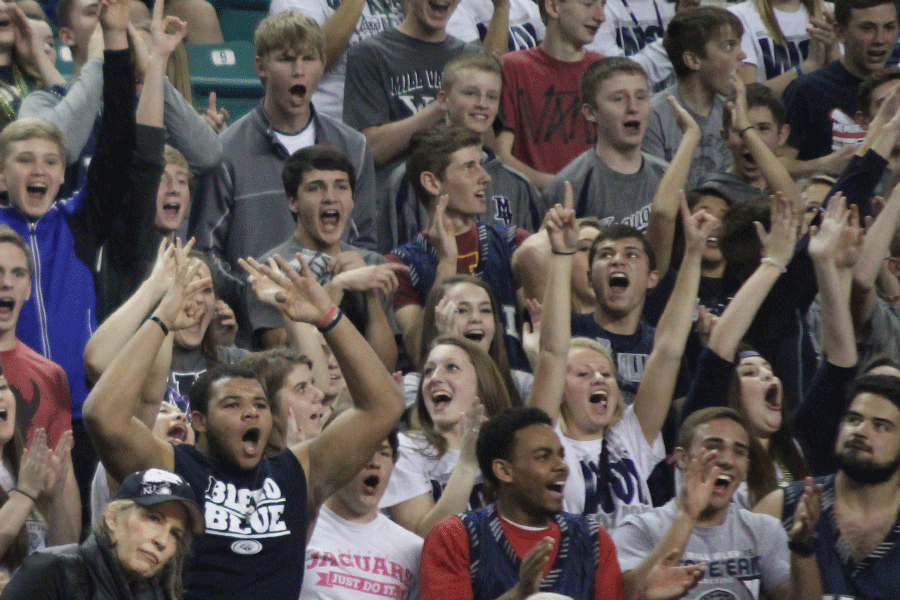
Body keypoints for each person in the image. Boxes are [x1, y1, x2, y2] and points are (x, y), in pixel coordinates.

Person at [84, 244, 404, 600]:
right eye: (232, 404)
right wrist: (161, 319)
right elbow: (102, 415)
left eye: (260, 404)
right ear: (199, 420)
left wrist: (327, 316)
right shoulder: (173, 469)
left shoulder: (299, 472)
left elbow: (385, 406)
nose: (251, 412)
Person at [528, 183, 716, 528]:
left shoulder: (630, 436)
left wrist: (692, 254)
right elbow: (553, 353)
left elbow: (669, 350)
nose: (599, 378)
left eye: (605, 374)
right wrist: (561, 256)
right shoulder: (545, 436)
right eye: (583, 374)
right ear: (559, 391)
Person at [191, 11, 377, 346]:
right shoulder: (226, 151)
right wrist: (258, 301)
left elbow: (366, 242)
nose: (299, 70)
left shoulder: (354, 147)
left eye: (309, 58)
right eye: (286, 59)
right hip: (259, 339)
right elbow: (208, 251)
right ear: (260, 66)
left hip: (338, 335)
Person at [419, 405, 706, 600]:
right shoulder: (455, 536)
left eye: (561, 455)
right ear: (504, 470)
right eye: (544, 457)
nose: (563, 467)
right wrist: (520, 594)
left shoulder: (592, 539)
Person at [613, 406, 824, 600]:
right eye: (714, 447)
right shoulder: (639, 529)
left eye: (739, 452)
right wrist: (688, 516)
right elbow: (622, 594)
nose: (727, 461)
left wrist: (802, 547)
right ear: (682, 459)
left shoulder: (763, 530)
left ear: (746, 468)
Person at [244, 145, 401, 371]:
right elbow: (285, 364)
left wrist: (371, 294)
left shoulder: (373, 264)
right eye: (315, 188)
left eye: (341, 187)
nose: (330, 198)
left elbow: (385, 367)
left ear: (352, 200)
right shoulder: (270, 271)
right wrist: (337, 287)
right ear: (293, 202)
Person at [386, 123, 529, 368]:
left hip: (512, 395)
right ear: (432, 183)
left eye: (481, 165)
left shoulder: (514, 243)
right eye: (469, 167)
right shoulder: (400, 265)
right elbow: (420, 354)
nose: (485, 177)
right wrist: (447, 264)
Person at [755, 373, 900, 599]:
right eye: (853, 419)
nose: (860, 431)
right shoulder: (782, 507)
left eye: (881, 426)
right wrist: (801, 546)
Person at [382, 52, 541, 252]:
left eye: (491, 96)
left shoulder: (519, 187)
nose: (482, 104)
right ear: (444, 99)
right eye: (470, 93)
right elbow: (397, 265)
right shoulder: (408, 180)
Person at [1, 467, 202, 600]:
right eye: (153, 519)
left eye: (175, 533)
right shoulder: (52, 574)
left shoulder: (158, 594)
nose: (162, 541)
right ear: (113, 518)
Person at [380, 335, 512, 536]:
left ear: (482, 384)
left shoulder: (509, 449)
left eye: (451, 367)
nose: (434, 378)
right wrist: (467, 464)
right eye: (428, 371)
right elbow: (428, 538)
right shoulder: (406, 448)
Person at [342, 0, 473, 178]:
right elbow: (370, 150)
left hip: (461, 189)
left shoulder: (470, 59)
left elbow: (488, 147)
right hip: (396, 194)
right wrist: (436, 110)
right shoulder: (369, 55)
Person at [542, 57, 669, 230]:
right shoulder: (571, 185)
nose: (633, 107)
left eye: (641, 97)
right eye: (618, 99)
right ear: (590, 112)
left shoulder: (667, 176)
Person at [781, 0, 899, 176]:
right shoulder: (807, 90)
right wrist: (823, 165)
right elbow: (775, 163)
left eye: (889, 27)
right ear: (839, 32)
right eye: (867, 28)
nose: (880, 39)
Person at [301, 428, 422, 600]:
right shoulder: (302, 527)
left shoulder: (413, 548)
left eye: (384, 453)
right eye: (363, 450)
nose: (375, 462)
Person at [495, 0, 603, 190]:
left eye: (603, 4)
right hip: (535, 207)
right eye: (588, 4)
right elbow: (501, 157)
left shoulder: (606, 71)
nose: (601, 16)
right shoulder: (512, 68)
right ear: (553, 7)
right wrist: (565, 188)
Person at [644, 6, 745, 189]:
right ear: (693, 60)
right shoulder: (654, 116)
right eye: (729, 45)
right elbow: (654, 196)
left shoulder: (734, 109)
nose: (742, 54)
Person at [0, 372, 76, 577]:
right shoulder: (28, 483)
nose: (1, 397)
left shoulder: (24, 469)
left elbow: (62, 558)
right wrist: (25, 494)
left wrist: (56, 498)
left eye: (2, 388)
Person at [730, 0, 839, 95]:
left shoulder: (832, 12)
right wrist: (807, 67)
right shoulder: (739, 15)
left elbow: (847, 88)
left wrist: (833, 52)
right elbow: (746, 96)